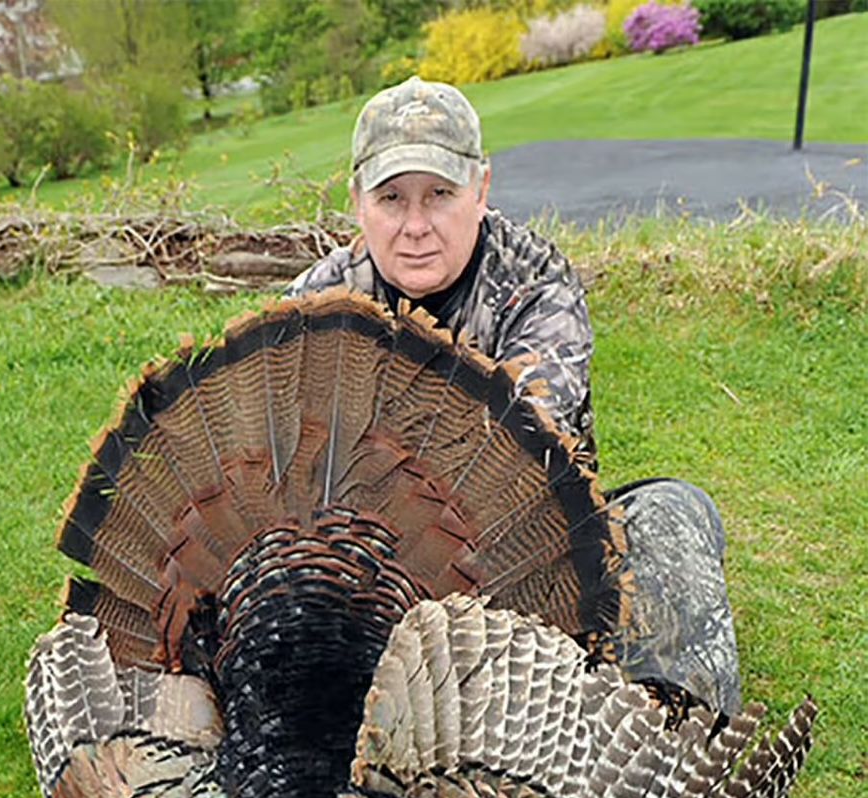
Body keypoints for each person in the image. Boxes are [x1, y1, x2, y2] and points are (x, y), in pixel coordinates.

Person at [288, 77, 742, 717]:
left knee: (670, 510)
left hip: (529, 565)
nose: (415, 226)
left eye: (439, 195)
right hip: (364, 573)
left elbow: (513, 449)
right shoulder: (318, 301)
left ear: (481, 191)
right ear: (358, 201)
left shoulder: (534, 286)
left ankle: (669, 737)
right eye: (392, 198)